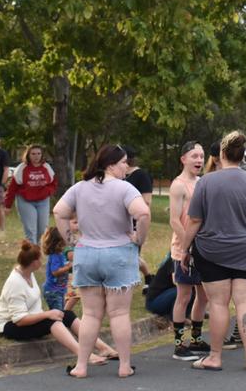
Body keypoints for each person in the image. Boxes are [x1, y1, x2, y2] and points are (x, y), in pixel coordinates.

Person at [54, 144, 151, 378]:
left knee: (90, 314)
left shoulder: (79, 188)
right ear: (111, 164)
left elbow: (59, 212)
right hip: (118, 254)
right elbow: (144, 213)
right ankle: (124, 365)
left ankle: (81, 366)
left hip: (86, 254)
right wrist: (139, 238)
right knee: (118, 314)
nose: (126, 166)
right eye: (123, 162)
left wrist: (72, 239)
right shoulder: (124, 188)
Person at [180, 131, 246, 372]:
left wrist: (184, 250)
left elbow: (193, 221)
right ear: (242, 157)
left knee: (219, 303)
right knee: (245, 301)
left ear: (221, 154)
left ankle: (215, 356)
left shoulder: (207, 182)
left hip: (213, 250)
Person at [0, 240, 118, 367]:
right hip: (8, 326)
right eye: (40, 259)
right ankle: (85, 355)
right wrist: (47, 314)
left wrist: (47, 314)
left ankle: (103, 348)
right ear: (34, 262)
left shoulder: (28, 274)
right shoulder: (15, 283)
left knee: (67, 315)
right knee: (52, 321)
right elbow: (19, 320)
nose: (42, 262)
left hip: (28, 319)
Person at [168, 141, 209, 361]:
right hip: (183, 250)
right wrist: (186, 247)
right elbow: (174, 220)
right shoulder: (178, 185)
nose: (199, 160)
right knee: (184, 295)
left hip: (202, 249)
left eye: (201, 156)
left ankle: (196, 338)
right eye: (194, 156)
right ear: (183, 159)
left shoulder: (202, 183)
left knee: (203, 296)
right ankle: (178, 344)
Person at [5, 145, 57, 244]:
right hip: (26, 201)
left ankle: (37, 251)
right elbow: (12, 188)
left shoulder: (46, 167)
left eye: (38, 154)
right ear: (28, 155)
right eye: (33, 154)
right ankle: (32, 255)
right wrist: (8, 205)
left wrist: (48, 191)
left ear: (42, 155)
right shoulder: (22, 168)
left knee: (42, 230)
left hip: (43, 201)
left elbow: (53, 183)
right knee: (30, 231)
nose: (36, 156)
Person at [122, 145, 154, 292]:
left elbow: (147, 201)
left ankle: (132, 282)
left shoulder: (141, 175)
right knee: (128, 255)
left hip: (135, 221)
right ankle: (148, 277)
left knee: (131, 255)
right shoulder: (118, 175)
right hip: (119, 220)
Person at [41, 227, 72, 311]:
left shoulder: (60, 254)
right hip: (53, 292)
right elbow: (55, 272)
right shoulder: (55, 255)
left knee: (60, 312)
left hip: (59, 290)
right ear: (59, 242)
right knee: (57, 314)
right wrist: (68, 267)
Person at [145, 254, 177, 320]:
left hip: (166, 296)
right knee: (184, 290)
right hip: (154, 301)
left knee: (190, 289)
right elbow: (176, 281)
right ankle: (176, 319)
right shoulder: (174, 260)